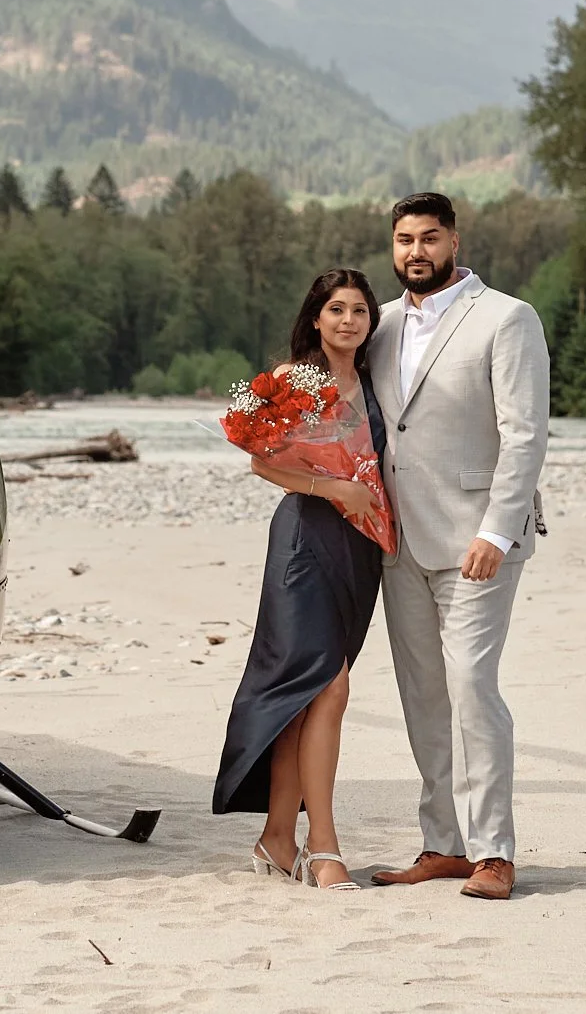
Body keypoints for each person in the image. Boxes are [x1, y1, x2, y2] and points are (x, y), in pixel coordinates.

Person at [365, 193, 548, 901]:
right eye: (405, 239)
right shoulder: (377, 323)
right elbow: (329, 390)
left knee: (472, 684)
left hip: (477, 539)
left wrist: (498, 530)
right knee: (423, 695)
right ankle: (442, 842)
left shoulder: (507, 317)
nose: (416, 250)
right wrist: (257, 408)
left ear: (454, 240)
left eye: (430, 237)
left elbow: (526, 432)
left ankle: (494, 850)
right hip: (396, 540)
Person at [213, 269, 389, 891]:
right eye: (336, 309)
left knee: (306, 699)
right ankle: (324, 845)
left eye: (360, 311)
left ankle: (276, 839)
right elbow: (262, 460)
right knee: (329, 688)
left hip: (360, 548)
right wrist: (331, 486)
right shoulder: (295, 380)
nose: (348, 321)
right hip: (304, 541)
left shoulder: (373, 381)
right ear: (316, 317)